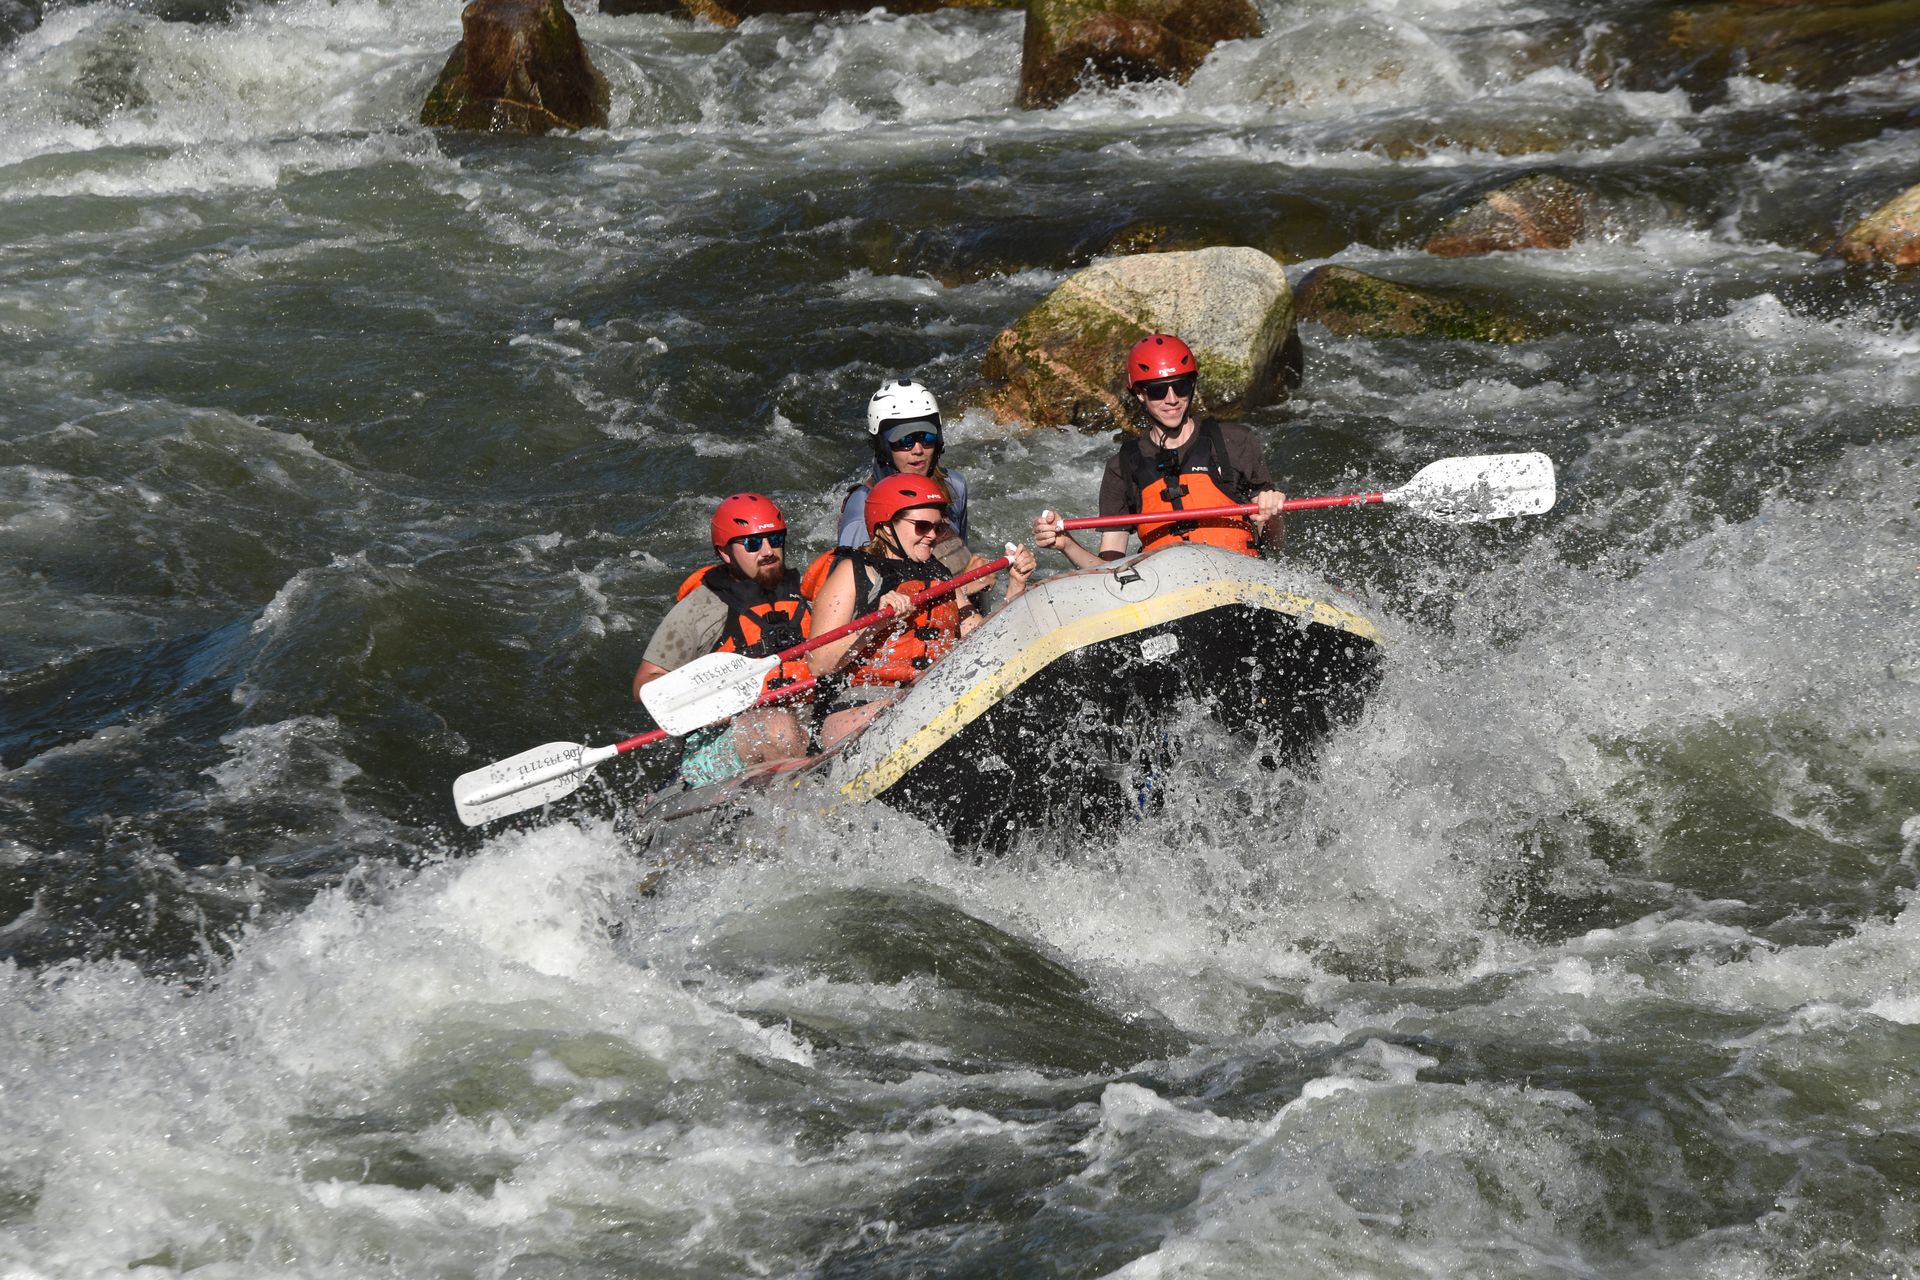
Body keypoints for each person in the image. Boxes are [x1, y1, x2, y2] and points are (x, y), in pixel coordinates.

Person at [809, 474, 1036, 749]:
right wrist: (875, 625)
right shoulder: (854, 571)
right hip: (861, 703)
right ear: (885, 525)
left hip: (930, 697)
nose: (932, 536)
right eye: (921, 526)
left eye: (938, 528)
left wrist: (1016, 586)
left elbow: (987, 643)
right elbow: (819, 662)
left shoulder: (940, 575)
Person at [1032, 334, 1286, 567]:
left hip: (1241, 573)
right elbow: (1107, 572)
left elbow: (1274, 546)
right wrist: (1065, 544)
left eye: (1181, 387)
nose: (1172, 399)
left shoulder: (1235, 440)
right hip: (1171, 591)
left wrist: (1273, 516)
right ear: (1140, 394)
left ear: (1192, 385)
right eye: (1157, 390)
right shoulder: (1122, 467)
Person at [631, 493, 813, 786]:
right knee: (779, 728)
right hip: (722, 741)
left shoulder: (802, 591)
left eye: (775, 539)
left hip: (800, 719)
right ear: (726, 553)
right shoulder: (701, 608)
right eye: (753, 543)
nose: (768, 551)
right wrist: (706, 707)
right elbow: (645, 685)